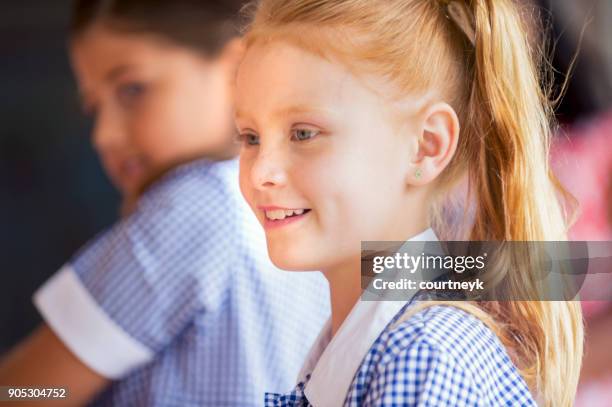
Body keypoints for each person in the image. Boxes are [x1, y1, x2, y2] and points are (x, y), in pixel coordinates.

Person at [234, 0, 583, 405]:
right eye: (250, 137)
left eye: (304, 133)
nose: (262, 171)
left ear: (425, 147)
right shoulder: (362, 345)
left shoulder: (423, 357)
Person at [0, 1, 329, 406]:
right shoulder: (321, 211)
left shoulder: (194, 205)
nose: (103, 136)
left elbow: (30, 393)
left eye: (132, 89)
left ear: (240, 72)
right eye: (94, 108)